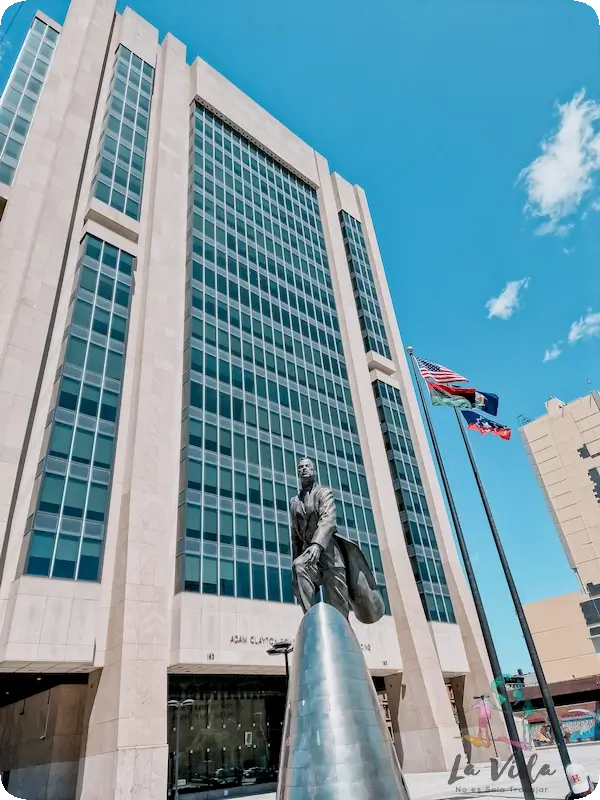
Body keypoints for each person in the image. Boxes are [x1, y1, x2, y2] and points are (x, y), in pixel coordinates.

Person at [289, 457, 384, 624]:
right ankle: (311, 620)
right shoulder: (294, 502)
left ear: (314, 471)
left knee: (339, 608)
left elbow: (328, 519)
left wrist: (317, 545)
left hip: (330, 556)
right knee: (299, 566)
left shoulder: (324, 493)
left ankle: (343, 633)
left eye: (307, 466)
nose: (304, 469)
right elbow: (295, 537)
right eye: (300, 467)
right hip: (310, 557)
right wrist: (295, 567)